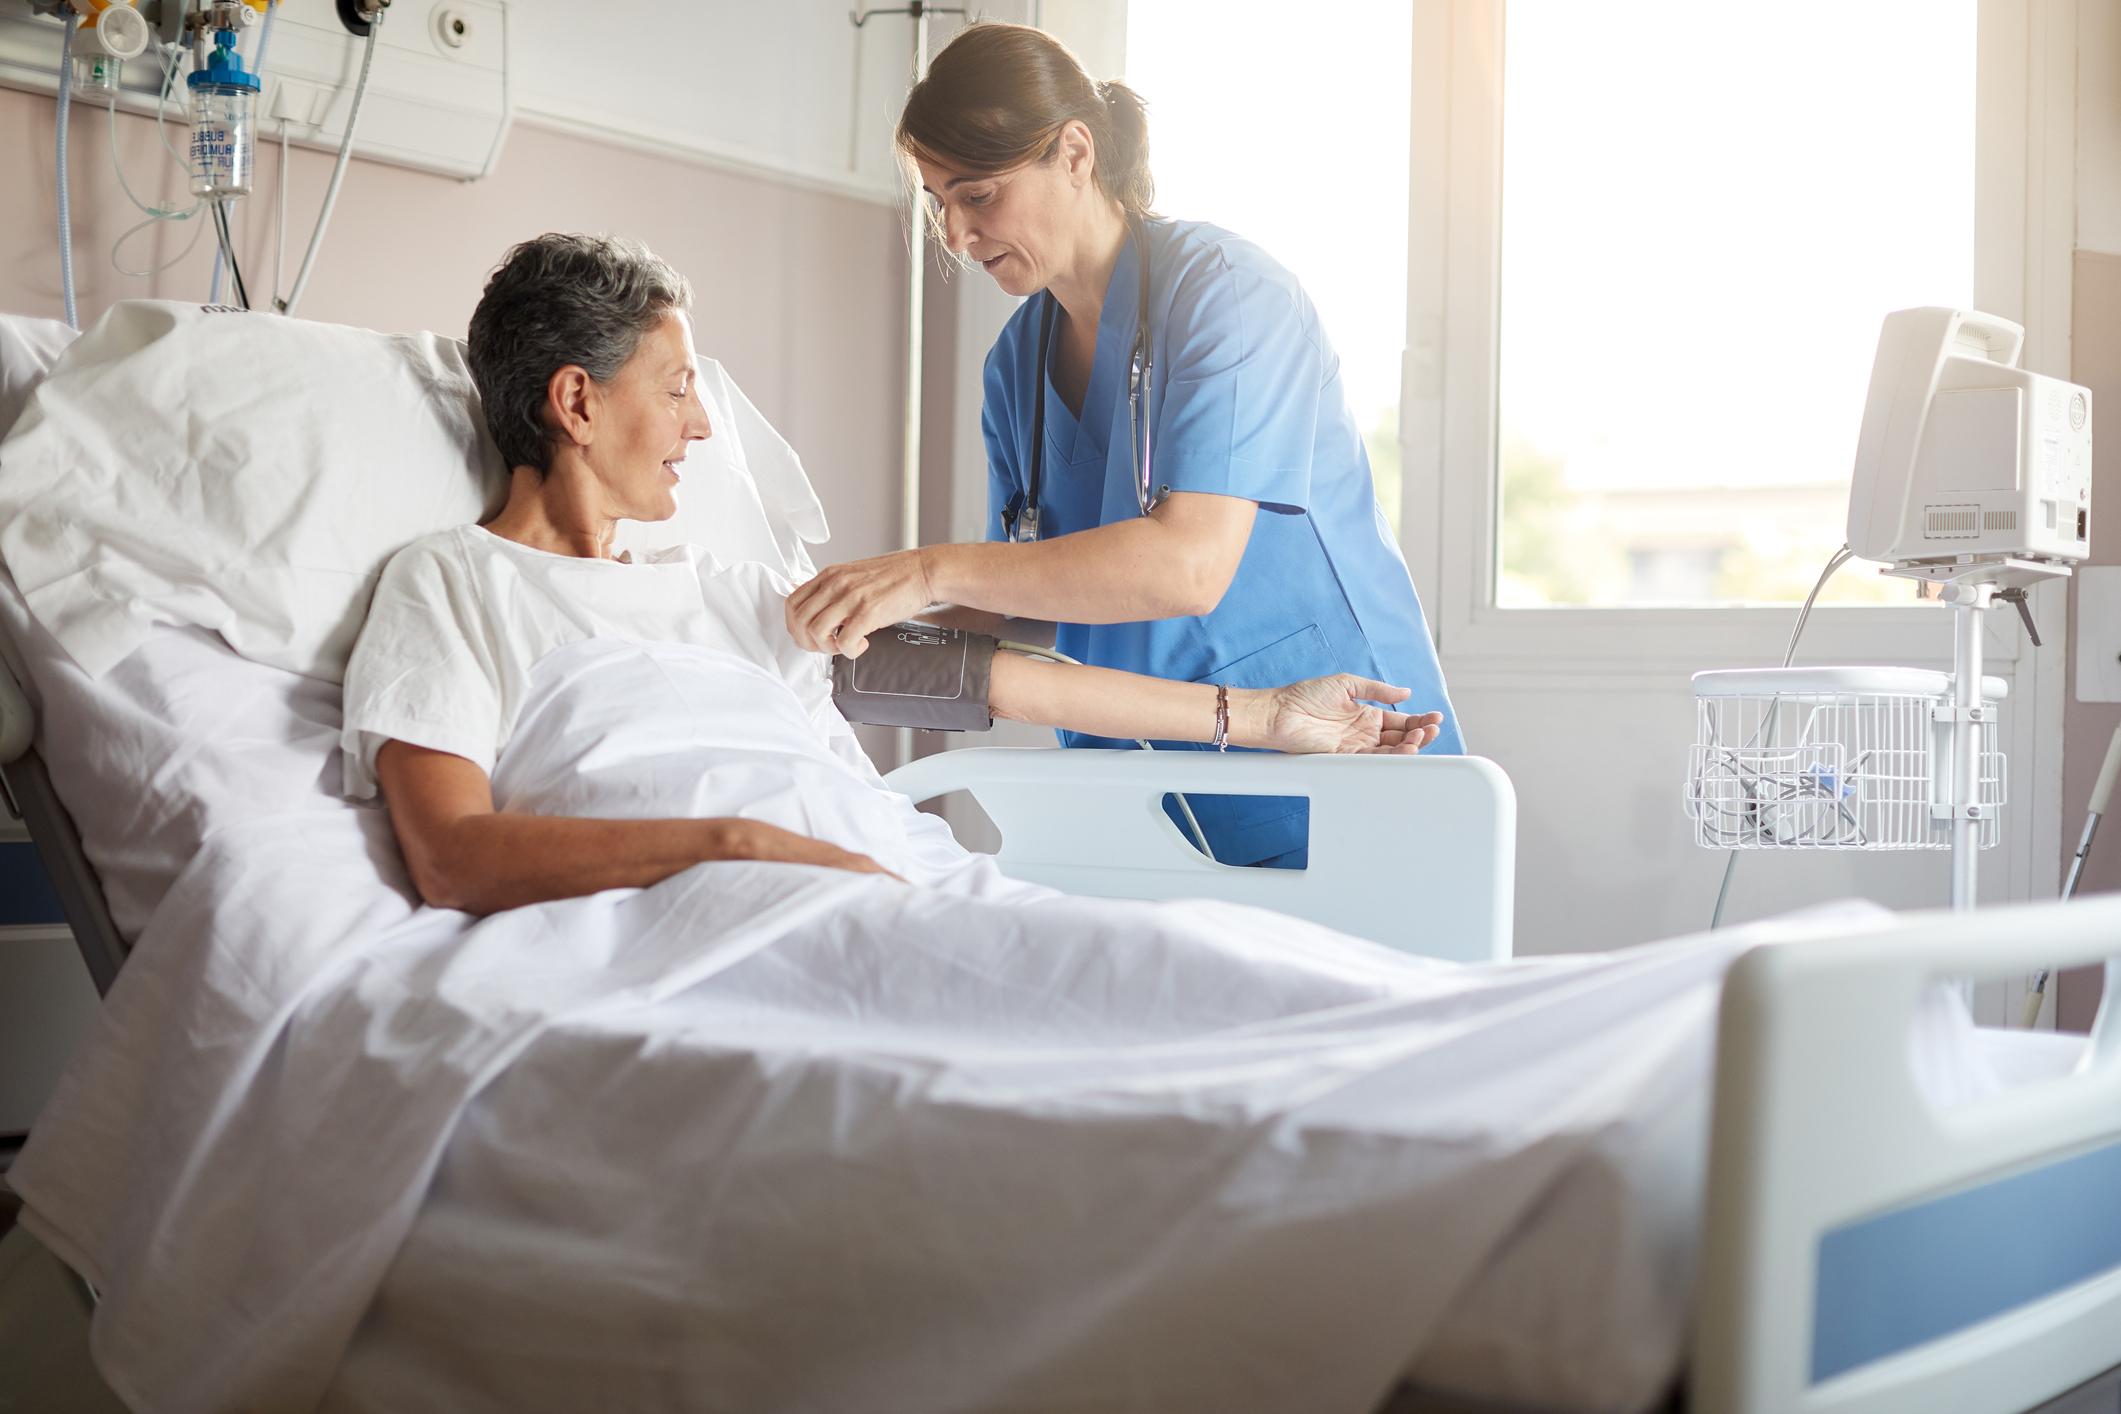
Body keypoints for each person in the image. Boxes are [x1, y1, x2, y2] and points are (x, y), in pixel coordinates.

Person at [341, 233, 1442, 916]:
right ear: (577, 403)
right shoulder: (450, 586)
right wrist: (743, 848)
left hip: (895, 887)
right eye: (676, 387)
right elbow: (455, 856)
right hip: (740, 912)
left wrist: (1270, 720)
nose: (703, 421)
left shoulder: (727, 590)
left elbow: (995, 679)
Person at [784, 22, 1461, 871]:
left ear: (1074, 153)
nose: (954, 236)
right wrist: (845, 632)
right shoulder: (1015, 367)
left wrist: (921, 571)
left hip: (1341, 756)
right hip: (1138, 794)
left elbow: (1187, 567)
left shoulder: (1230, 297)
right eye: (938, 203)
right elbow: (1031, 600)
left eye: (977, 194)